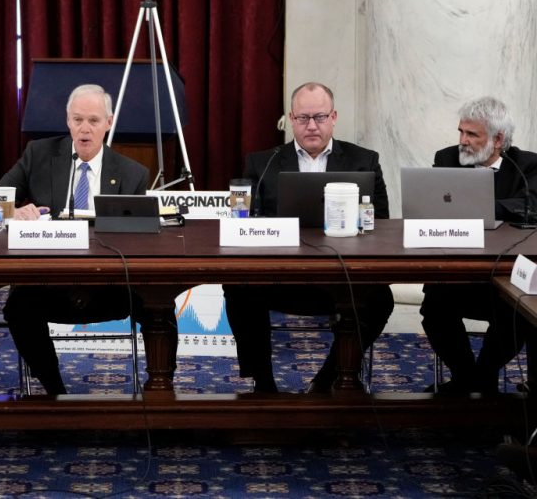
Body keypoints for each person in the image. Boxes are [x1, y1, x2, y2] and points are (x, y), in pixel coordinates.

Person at [0, 84, 161, 395]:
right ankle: (55, 393)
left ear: (109, 123)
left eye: (93, 120)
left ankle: (160, 389)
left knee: (160, 307)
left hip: (111, 286)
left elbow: (140, 237)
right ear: (67, 121)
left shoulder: (132, 174)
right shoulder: (39, 155)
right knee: (18, 308)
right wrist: (14, 211)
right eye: (77, 120)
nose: (84, 129)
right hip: (48, 282)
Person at [222, 82, 394, 394]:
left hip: (342, 277)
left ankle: (329, 380)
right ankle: (263, 384)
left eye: (319, 117)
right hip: (280, 277)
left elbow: (379, 222)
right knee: (237, 286)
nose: (311, 126)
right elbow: (245, 220)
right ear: (290, 119)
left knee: (379, 299)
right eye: (302, 118)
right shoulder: (263, 162)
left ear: (334, 117)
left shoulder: (363, 161)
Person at [421, 96, 537, 394]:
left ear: (498, 139)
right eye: (460, 131)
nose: (462, 140)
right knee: (433, 306)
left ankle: (483, 376)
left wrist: (480, 206)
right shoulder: (446, 159)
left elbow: (532, 206)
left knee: (520, 312)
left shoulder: (528, 165)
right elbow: (435, 207)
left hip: (508, 277)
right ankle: (467, 377)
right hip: (457, 272)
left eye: (472, 134)